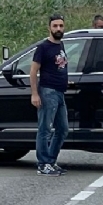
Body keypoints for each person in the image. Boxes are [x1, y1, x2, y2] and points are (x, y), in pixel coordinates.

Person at [30, 14, 70, 176]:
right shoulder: (43, 48)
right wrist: (35, 94)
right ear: (49, 28)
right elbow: (33, 71)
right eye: (55, 26)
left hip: (60, 93)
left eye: (61, 26)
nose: (58, 29)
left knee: (63, 129)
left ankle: (51, 161)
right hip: (47, 91)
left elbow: (59, 67)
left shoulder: (61, 46)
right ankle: (43, 163)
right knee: (45, 129)